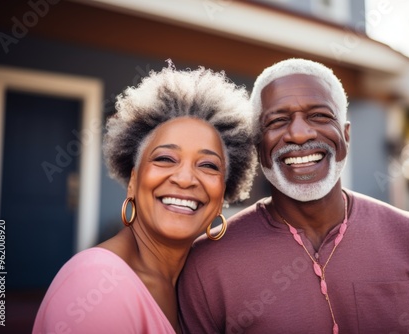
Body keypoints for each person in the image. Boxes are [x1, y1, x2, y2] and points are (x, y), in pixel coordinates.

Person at [178, 58, 409, 334]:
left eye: (319, 116)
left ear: (346, 135)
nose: (299, 134)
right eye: (278, 120)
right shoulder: (207, 264)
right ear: (257, 145)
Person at [32, 62, 257, 334]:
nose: (185, 179)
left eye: (208, 165)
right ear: (133, 181)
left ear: (223, 194)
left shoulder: (195, 289)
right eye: (165, 158)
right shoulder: (97, 285)